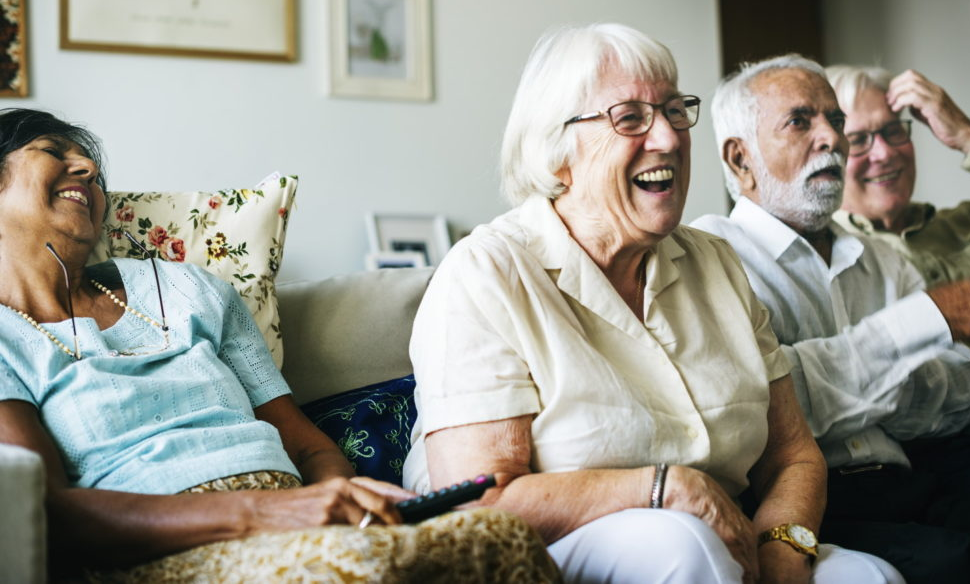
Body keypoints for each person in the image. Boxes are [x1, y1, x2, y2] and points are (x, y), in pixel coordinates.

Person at [402, 23, 901, 584]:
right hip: (560, 552)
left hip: (728, 538)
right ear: (557, 149)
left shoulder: (716, 263)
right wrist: (666, 488)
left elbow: (793, 456)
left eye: (673, 110)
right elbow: (477, 503)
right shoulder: (487, 273)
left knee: (870, 576)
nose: (668, 138)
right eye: (631, 118)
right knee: (681, 545)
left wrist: (784, 546)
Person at [0, 108, 559, 582]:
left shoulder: (189, 288)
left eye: (93, 169)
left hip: (298, 516)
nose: (90, 170)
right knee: (349, 571)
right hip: (162, 548)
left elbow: (308, 446)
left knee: (501, 536)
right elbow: (45, 512)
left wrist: (339, 501)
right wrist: (266, 513)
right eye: (55, 151)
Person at [691, 54, 970, 583]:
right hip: (808, 506)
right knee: (956, 567)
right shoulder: (711, 255)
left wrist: (840, 378)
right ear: (740, 159)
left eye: (835, 120)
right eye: (801, 121)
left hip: (910, 481)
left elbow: (958, 394)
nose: (832, 139)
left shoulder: (881, 258)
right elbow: (768, 409)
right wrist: (919, 326)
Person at [826, 65, 970, 492]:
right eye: (858, 140)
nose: (884, 153)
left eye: (894, 131)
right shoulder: (833, 258)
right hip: (968, 456)